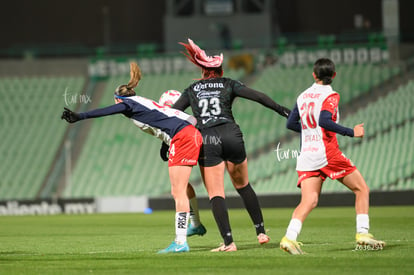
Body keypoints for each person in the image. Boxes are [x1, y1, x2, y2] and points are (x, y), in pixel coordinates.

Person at [61, 62, 203, 254]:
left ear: (118, 99)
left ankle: (180, 242)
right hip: (191, 133)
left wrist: (80, 116)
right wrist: (166, 143)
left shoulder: (128, 104)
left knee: (178, 192)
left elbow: (106, 111)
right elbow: (179, 120)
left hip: (182, 137)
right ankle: (195, 226)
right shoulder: (144, 102)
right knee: (183, 187)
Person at [171, 38, 291, 252]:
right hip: (231, 134)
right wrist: (283, 111)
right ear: (220, 69)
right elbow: (259, 97)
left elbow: (174, 114)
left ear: (203, 71)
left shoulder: (192, 89)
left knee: (216, 194)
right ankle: (261, 231)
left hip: (208, 139)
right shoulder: (228, 83)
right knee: (243, 185)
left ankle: (229, 243)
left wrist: (167, 142)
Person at [279, 58, 385, 255]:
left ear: (314, 74)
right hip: (326, 152)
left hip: (306, 154)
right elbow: (324, 121)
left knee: (309, 200)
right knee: (362, 189)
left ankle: (290, 237)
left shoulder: (303, 96)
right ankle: (363, 233)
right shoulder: (331, 95)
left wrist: (309, 132)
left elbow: (291, 124)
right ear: (334, 75)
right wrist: (351, 132)